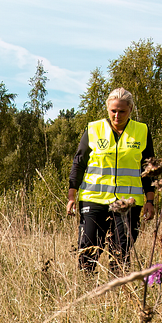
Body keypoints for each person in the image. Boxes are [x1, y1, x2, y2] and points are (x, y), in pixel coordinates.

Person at [67, 88, 155, 273]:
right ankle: (86, 293)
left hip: (128, 203)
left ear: (130, 109)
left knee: (121, 253)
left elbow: (149, 168)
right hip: (94, 199)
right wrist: (71, 195)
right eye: (113, 110)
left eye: (122, 111)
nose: (117, 115)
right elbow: (78, 163)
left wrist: (150, 200)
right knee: (88, 252)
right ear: (107, 108)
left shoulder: (142, 131)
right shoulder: (93, 129)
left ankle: (118, 296)